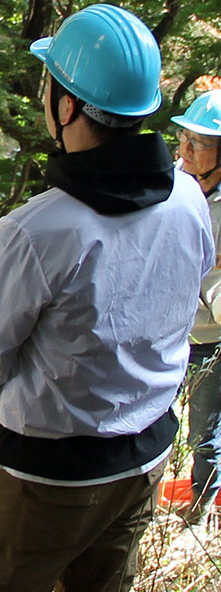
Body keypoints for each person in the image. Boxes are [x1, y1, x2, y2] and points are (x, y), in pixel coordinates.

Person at [0, 5, 214, 592]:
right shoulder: (187, 199)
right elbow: (188, 288)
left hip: (42, 474)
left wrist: (15, 402)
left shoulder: (38, 229)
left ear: (66, 106)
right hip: (143, 455)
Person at [170, 89, 221, 526]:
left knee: (204, 433)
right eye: (184, 138)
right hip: (165, 331)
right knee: (147, 422)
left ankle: (199, 513)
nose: (185, 150)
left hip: (212, 337)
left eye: (199, 143)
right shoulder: (169, 183)